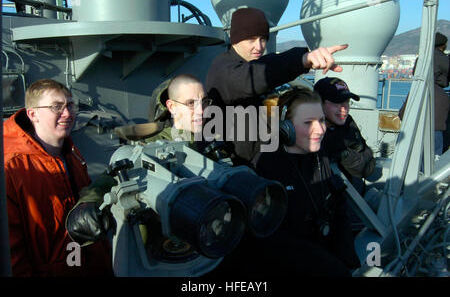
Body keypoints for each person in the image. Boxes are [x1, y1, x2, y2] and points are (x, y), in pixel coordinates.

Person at [66, 74, 232, 246]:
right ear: (172, 106)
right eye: (191, 103)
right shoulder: (152, 147)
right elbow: (110, 179)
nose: (201, 111)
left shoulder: (208, 142)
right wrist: (88, 204)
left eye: (204, 102)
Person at [211, 87, 360, 277]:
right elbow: (269, 240)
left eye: (321, 120)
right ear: (284, 128)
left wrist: (347, 256)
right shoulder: (266, 166)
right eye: (308, 122)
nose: (320, 129)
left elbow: (337, 204)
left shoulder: (317, 156)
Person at [205, 7, 348, 165]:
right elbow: (253, 76)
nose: (259, 47)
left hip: (266, 157)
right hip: (240, 168)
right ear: (235, 40)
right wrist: (303, 59)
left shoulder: (250, 64)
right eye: (251, 39)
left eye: (263, 39)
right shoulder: (224, 69)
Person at [3, 79, 112, 276]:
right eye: (56, 107)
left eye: (70, 105)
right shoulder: (11, 166)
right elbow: (10, 245)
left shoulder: (69, 151)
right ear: (32, 114)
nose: (68, 114)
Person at [314, 77, 376, 183]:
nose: (344, 108)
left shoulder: (347, 124)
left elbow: (368, 167)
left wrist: (344, 154)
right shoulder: (304, 129)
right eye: (336, 102)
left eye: (346, 101)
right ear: (319, 102)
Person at [399, 32, 450, 155]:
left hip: (419, 93)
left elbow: (402, 114)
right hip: (438, 99)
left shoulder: (421, 58)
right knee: (434, 151)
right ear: (443, 45)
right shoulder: (443, 59)